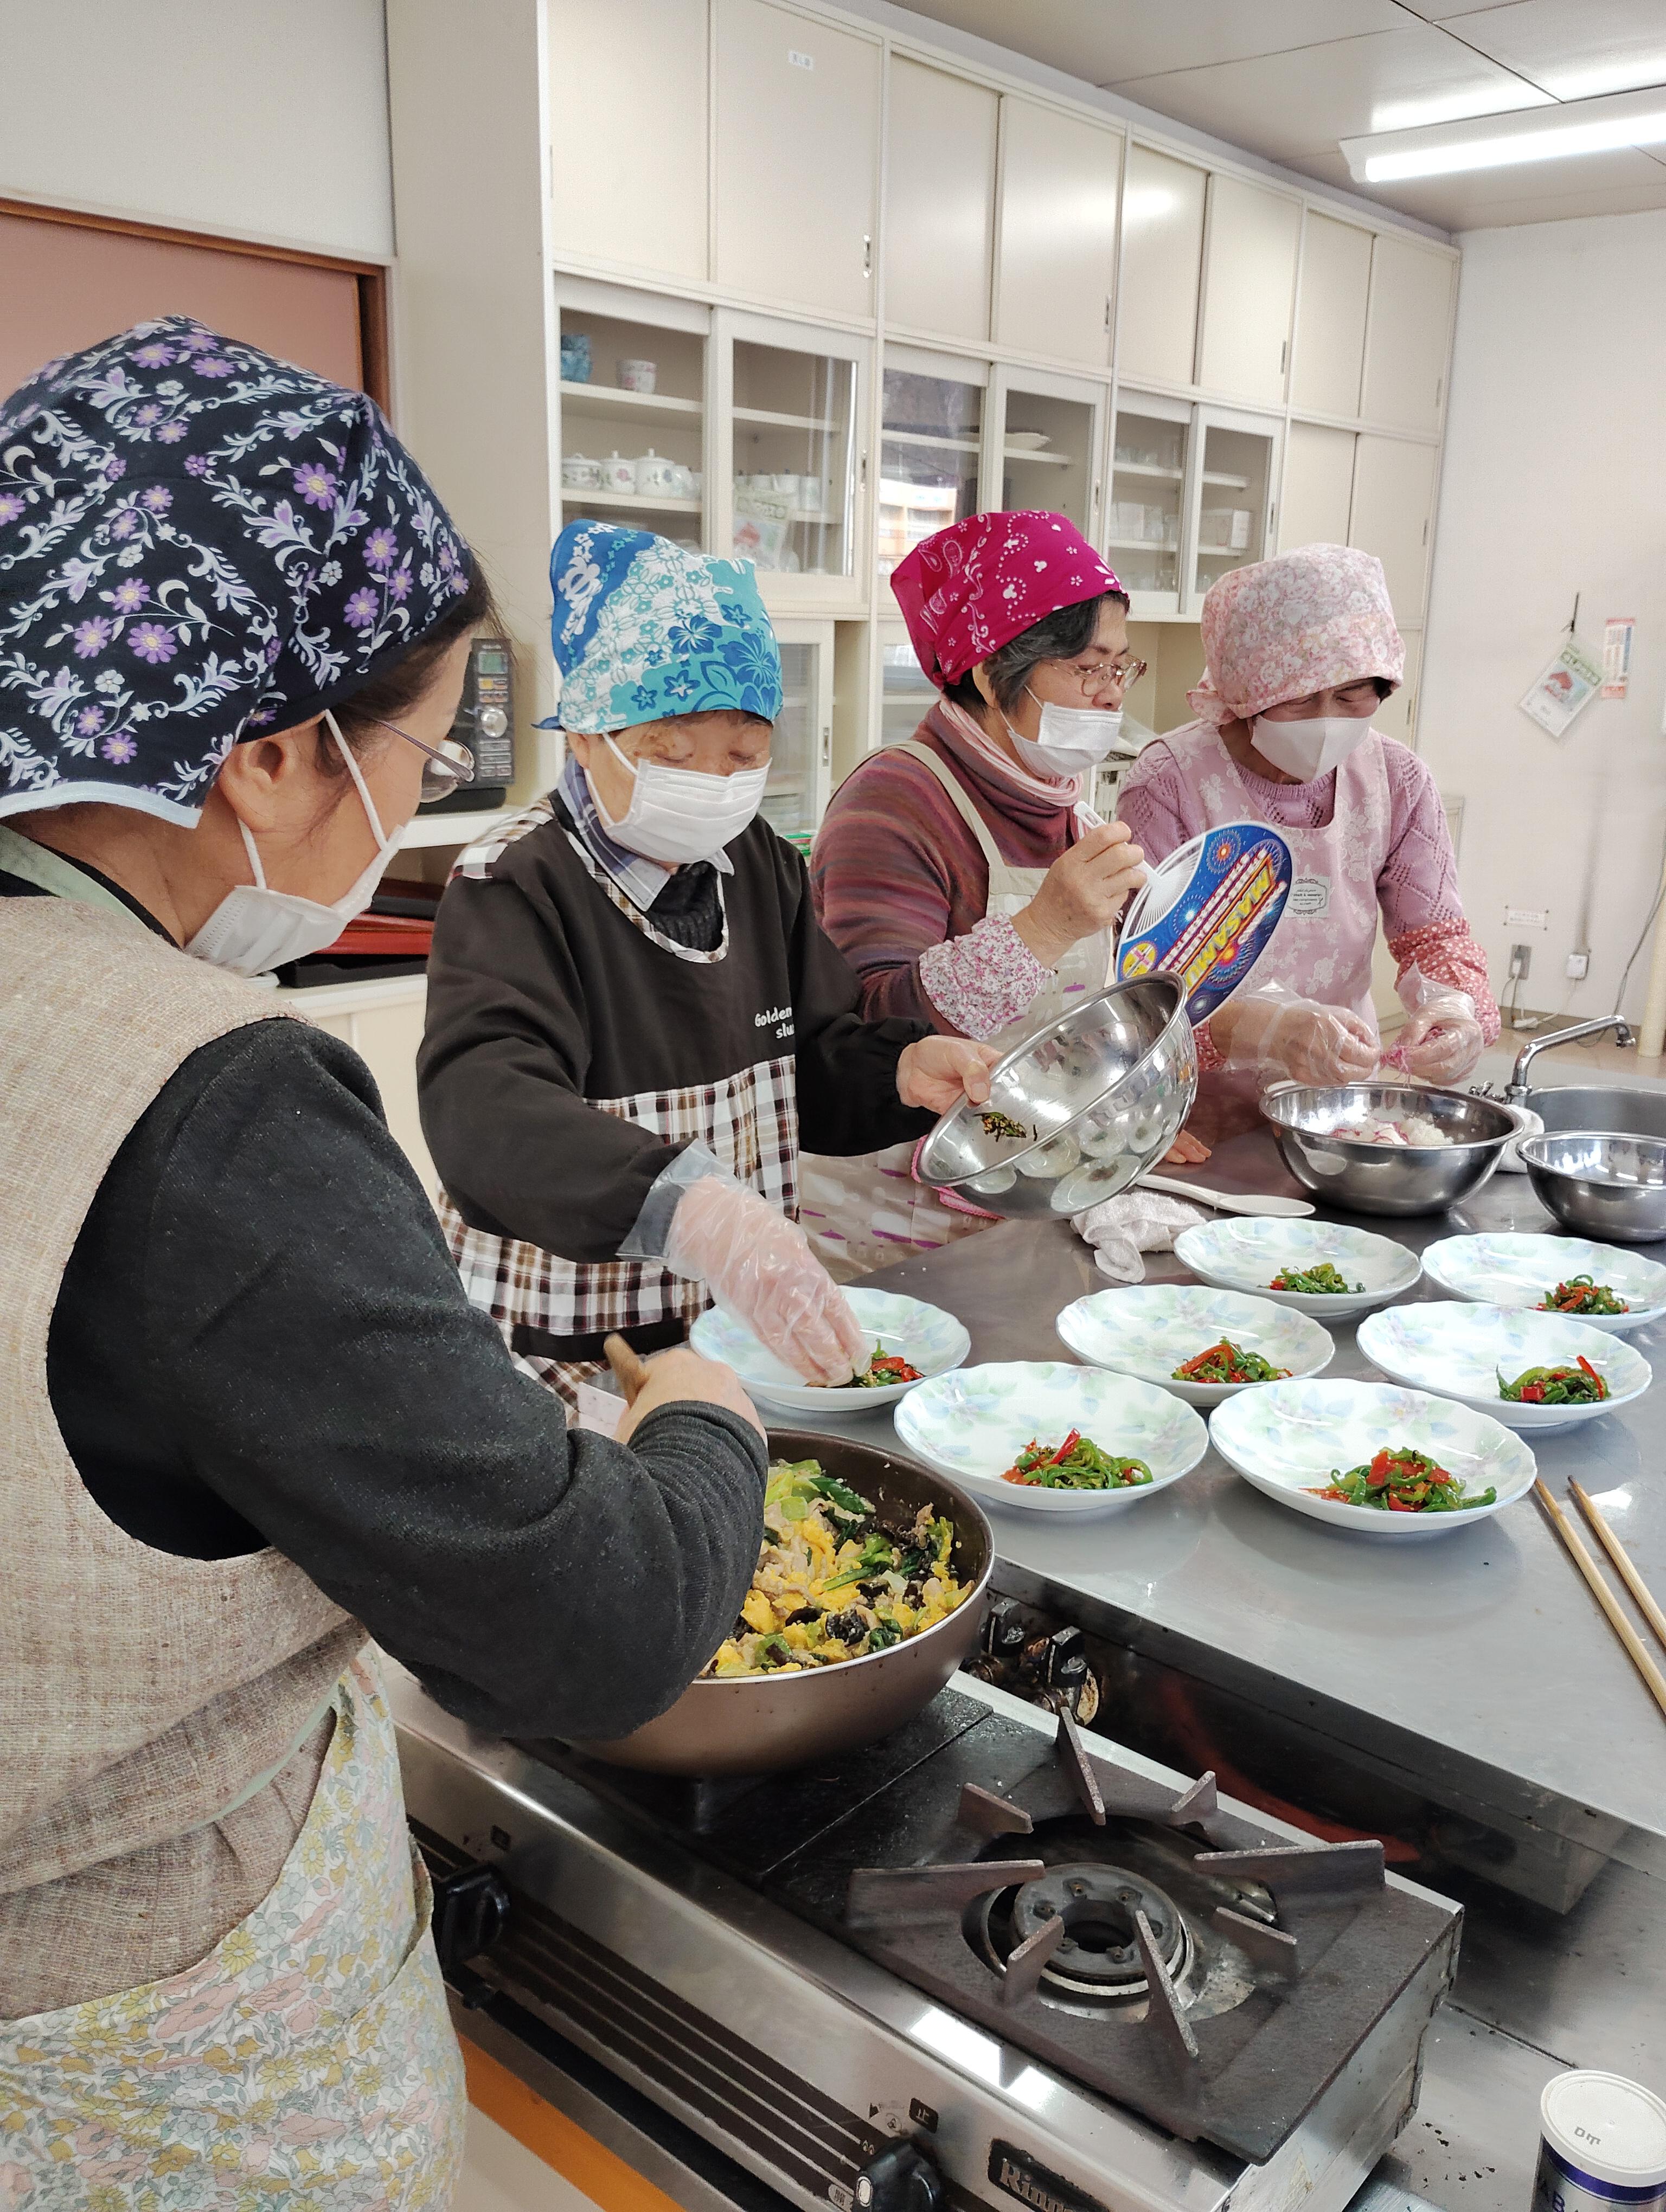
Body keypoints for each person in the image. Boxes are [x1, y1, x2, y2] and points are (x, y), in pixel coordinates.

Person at [0, 321, 774, 2205]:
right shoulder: (210, 1107)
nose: (408, 805)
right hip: (137, 2035)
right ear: (272, 760)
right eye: (417, 751)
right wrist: (706, 1412)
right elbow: (583, 1627)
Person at [415, 520, 997, 1406]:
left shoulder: (759, 864)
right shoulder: (515, 883)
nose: (712, 779)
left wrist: (901, 1071)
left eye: (744, 752)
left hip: (731, 1340)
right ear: (583, 735)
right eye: (671, 751)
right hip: (573, 1355)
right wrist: (694, 1210)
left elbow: (814, 1061)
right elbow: (487, 1112)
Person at [804, 511, 1204, 1271]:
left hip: (1020, 1198)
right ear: (991, 673)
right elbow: (866, 1028)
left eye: (1122, 668)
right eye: (1087, 670)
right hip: (893, 1236)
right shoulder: (893, 801)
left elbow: (1073, 1025)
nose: (1109, 697)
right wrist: (1044, 927)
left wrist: (1118, 1113)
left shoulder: (1062, 803)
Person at [1116, 544, 1497, 1088]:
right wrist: (1264, 1030)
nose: (1326, 722)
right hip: (1189, 1087)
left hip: (1334, 1085)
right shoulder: (1171, 780)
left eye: (1351, 696)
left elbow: (1433, 938)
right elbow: (1138, 987)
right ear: (1245, 691)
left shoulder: (1397, 779)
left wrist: (1456, 1010)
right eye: (1296, 699)